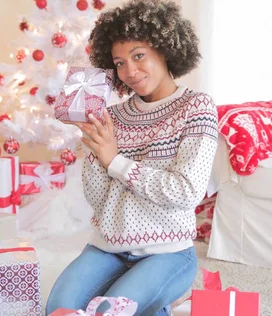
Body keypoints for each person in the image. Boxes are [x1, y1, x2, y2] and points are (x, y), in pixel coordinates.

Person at [46, 0, 218, 315]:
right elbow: (100, 201)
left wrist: (116, 162)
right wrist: (96, 153)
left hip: (167, 254)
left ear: (165, 50)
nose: (130, 71)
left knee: (110, 311)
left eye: (139, 56)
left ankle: (166, 294)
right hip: (107, 249)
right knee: (59, 310)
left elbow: (186, 191)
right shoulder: (111, 116)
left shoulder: (197, 107)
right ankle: (159, 301)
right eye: (119, 62)